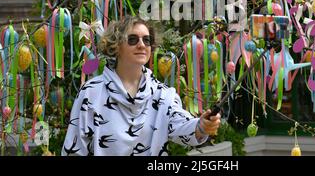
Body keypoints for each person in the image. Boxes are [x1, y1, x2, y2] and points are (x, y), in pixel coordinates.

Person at [62, 16, 221, 156]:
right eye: (132, 39)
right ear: (116, 46)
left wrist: (202, 126)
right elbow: (74, 149)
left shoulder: (163, 95)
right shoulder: (91, 93)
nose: (141, 45)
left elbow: (183, 128)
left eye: (147, 40)